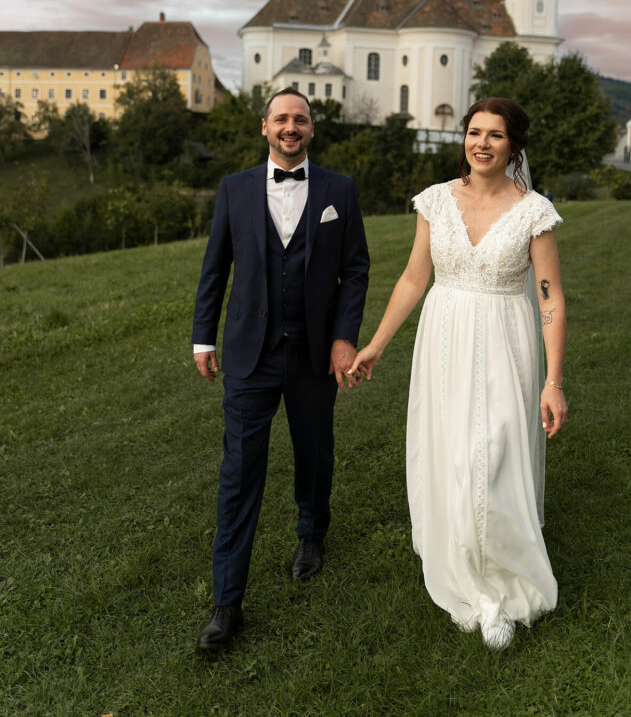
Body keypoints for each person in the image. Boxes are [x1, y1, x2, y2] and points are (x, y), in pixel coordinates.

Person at [349, 97, 568, 650]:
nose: (483, 143)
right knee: (452, 454)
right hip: (443, 337)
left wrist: (553, 380)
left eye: (496, 135)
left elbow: (550, 298)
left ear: (513, 146)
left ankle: (498, 584)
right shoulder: (436, 202)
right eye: (475, 132)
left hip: (505, 340)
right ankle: (463, 566)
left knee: (492, 454)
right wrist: (376, 344)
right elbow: (411, 279)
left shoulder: (533, 211)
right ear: (463, 138)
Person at [192, 87, 370, 652]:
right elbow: (215, 267)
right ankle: (227, 604)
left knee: (314, 450)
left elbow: (357, 269)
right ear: (265, 127)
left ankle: (311, 534)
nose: (291, 128)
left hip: (317, 354)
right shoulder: (233, 189)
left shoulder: (340, 190)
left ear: (312, 129)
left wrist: (345, 339)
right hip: (250, 352)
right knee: (240, 471)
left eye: (301, 119)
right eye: (281, 119)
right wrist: (203, 338)